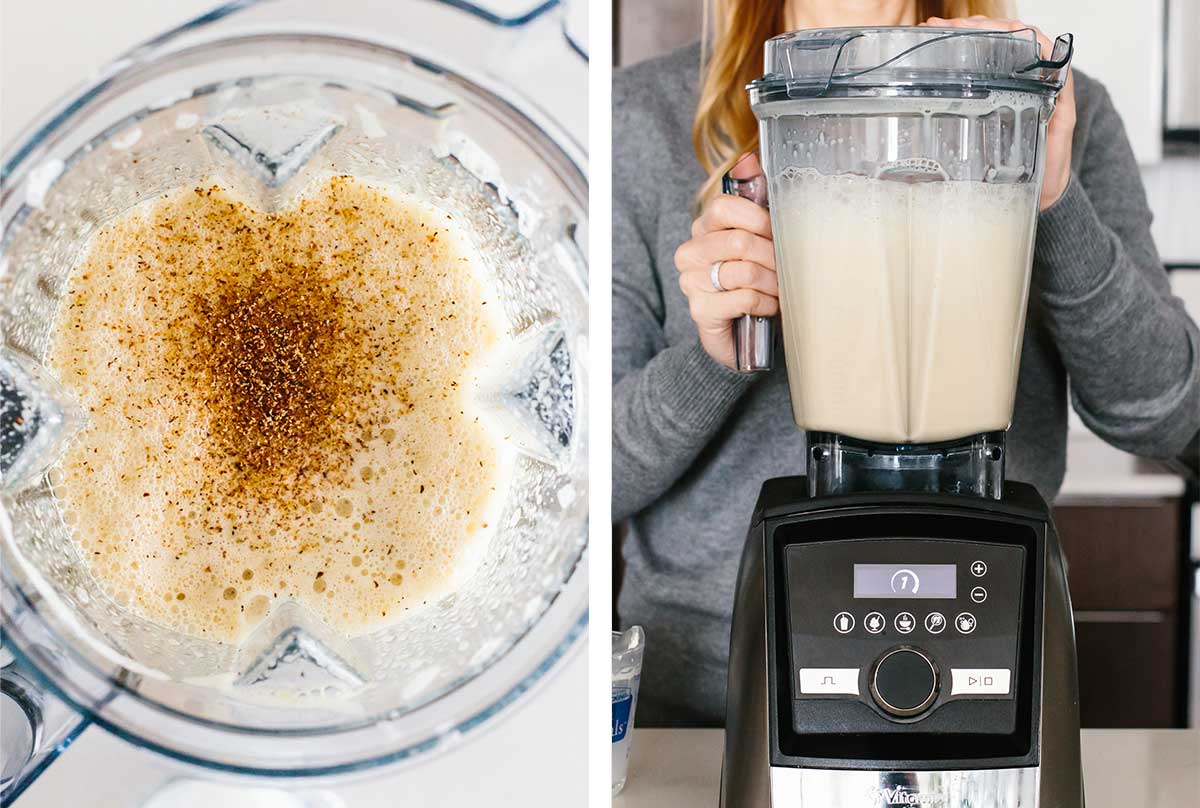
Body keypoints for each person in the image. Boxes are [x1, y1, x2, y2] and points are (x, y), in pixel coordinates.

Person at [612, 0, 1200, 727]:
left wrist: (1050, 196)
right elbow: (583, 485)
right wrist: (714, 359)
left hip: (989, 669)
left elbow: (1166, 411)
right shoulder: (640, 118)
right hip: (707, 701)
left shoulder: (1050, 108)